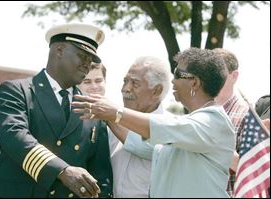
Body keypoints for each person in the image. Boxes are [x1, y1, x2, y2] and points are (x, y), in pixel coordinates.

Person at [72, 47, 236, 197]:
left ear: (194, 82)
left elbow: (163, 128)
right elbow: (143, 146)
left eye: (178, 74)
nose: (172, 81)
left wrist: (115, 112)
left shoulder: (212, 122)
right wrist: (108, 117)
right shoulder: (189, 129)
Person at [0, 23, 113, 198]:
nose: (87, 64)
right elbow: (14, 136)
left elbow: (100, 172)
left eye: (90, 59)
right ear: (59, 50)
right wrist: (62, 171)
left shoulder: (91, 106)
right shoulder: (18, 90)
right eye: (82, 56)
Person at [79, 57, 171, 197]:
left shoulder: (172, 128)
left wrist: (109, 116)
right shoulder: (108, 127)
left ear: (157, 91)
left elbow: (142, 147)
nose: (125, 89)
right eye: (125, 81)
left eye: (135, 83)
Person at [213, 48, 249, 196]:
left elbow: (252, 170)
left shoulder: (245, 115)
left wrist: (216, 146)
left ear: (234, 76)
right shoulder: (197, 113)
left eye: (218, 74)